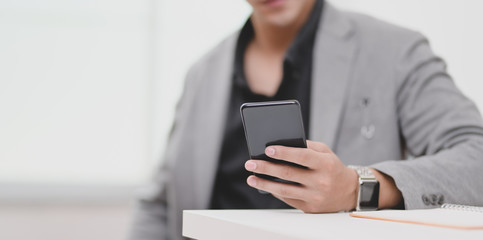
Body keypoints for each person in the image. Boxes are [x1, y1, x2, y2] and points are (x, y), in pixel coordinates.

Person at [129, 0, 483, 239]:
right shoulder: (202, 74)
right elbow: (160, 203)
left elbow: (476, 158)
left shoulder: (394, 51)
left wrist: (359, 187)